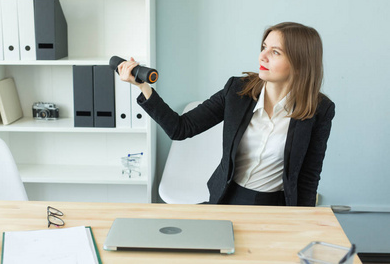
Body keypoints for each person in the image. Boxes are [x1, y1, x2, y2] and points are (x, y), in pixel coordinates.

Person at [117, 22, 335, 206]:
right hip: (226, 198)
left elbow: (308, 177)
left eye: (275, 52)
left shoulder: (319, 109)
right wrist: (144, 88)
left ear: (299, 64)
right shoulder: (237, 91)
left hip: (277, 206)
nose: (262, 56)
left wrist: (303, 225)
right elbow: (180, 128)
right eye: (264, 47)